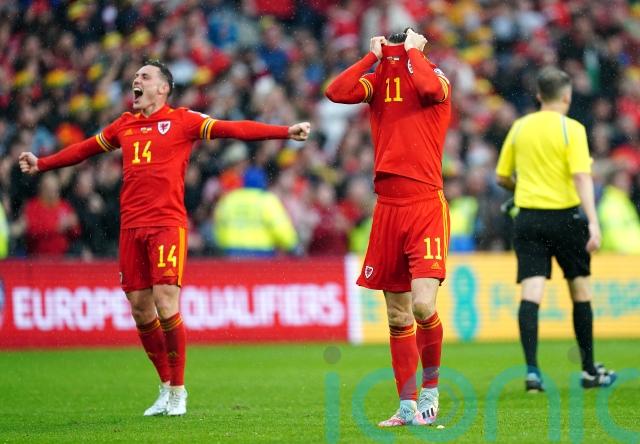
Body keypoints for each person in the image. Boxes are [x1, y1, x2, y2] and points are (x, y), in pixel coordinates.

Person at [19, 60, 310, 416]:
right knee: (140, 309)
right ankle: (165, 385)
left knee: (165, 301)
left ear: (163, 88)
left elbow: (234, 128)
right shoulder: (124, 125)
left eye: (144, 76)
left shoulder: (183, 121)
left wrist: (285, 132)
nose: (136, 80)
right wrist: (43, 163)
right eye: (135, 76)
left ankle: (179, 391)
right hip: (131, 227)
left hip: (166, 225)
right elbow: (84, 149)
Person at [326, 28, 451, 427]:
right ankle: (407, 405)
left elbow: (428, 88)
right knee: (398, 316)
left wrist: (414, 54)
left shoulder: (434, 76)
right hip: (388, 208)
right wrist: (371, 58)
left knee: (422, 306)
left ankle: (431, 389)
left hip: (425, 204)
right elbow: (335, 92)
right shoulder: (377, 80)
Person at [495, 66, 616, 392]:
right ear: (567, 96)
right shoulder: (571, 129)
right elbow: (581, 176)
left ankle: (533, 373)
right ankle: (588, 370)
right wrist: (593, 220)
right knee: (580, 290)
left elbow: (502, 177)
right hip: (565, 219)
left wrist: (522, 188)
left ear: (538, 96)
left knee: (531, 292)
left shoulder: (520, 127)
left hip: (529, 219)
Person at [213, 167, 298, 256]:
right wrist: (293, 245)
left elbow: (219, 225)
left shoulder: (229, 199)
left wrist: (221, 246)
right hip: (261, 254)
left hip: (232, 253)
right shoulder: (266, 200)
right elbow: (280, 227)